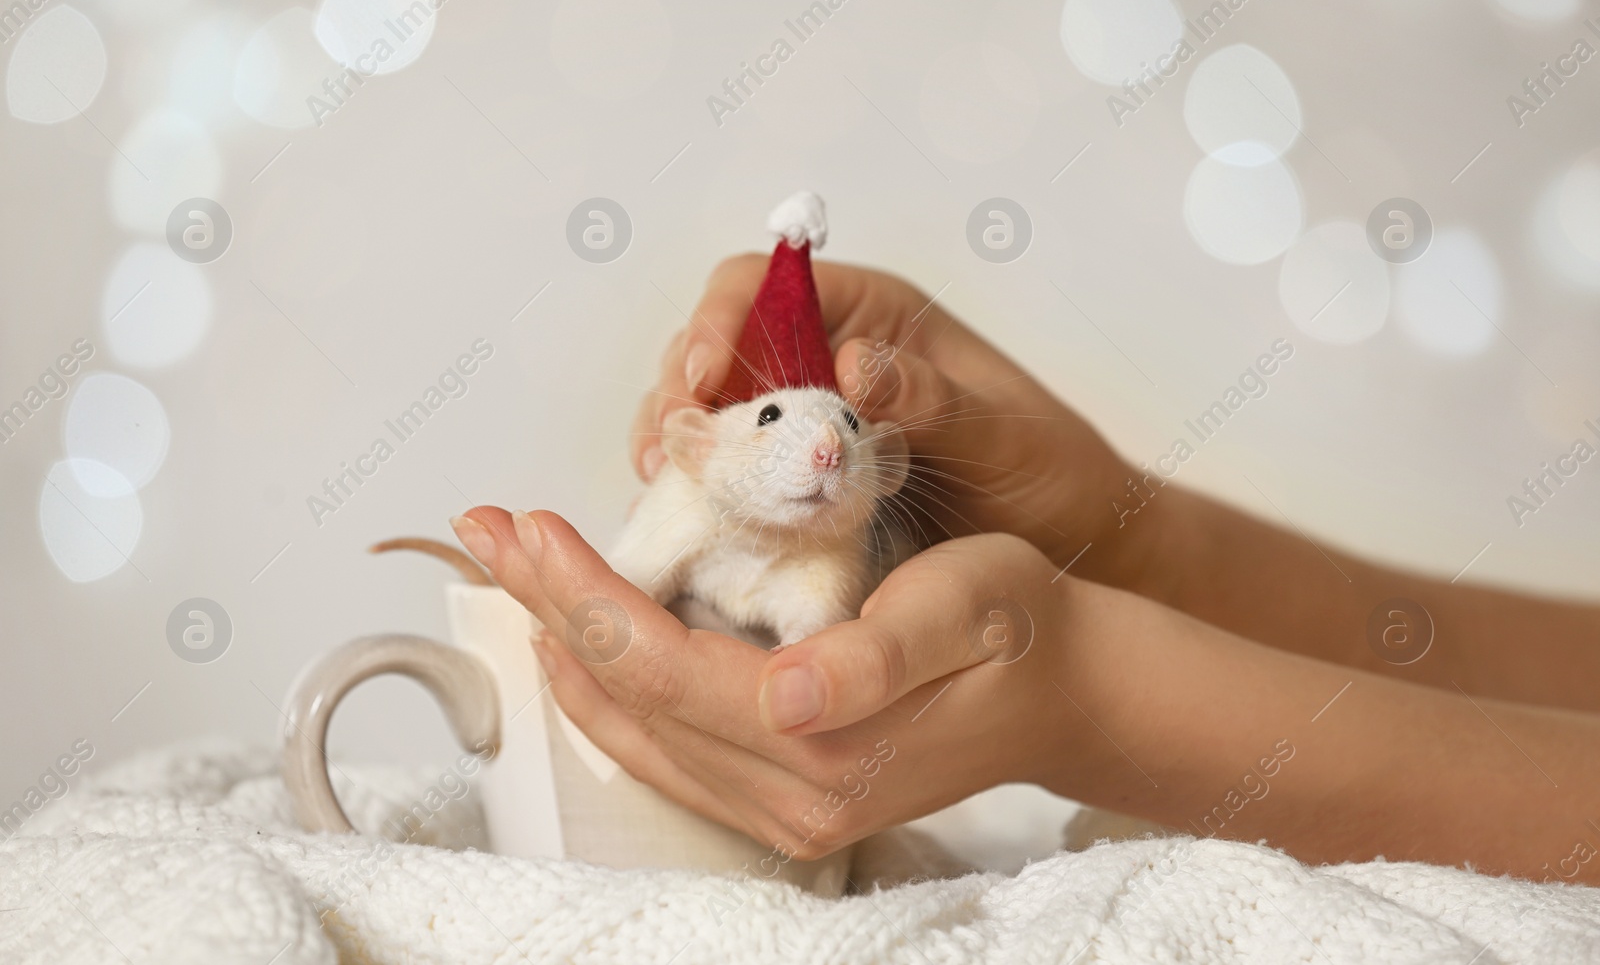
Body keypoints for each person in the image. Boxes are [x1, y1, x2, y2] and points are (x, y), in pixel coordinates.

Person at [449, 255, 1600, 886]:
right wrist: (1121, 538)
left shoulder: (844, 518)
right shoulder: (698, 478)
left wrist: (1100, 696)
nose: (821, 447)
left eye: (850, 431)